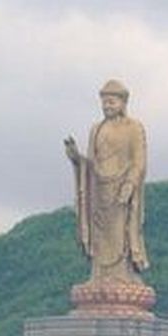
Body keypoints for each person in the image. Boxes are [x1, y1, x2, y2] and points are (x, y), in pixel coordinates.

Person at [63, 80, 149, 284]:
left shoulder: (133, 127)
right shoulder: (96, 128)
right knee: (99, 233)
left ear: (123, 103)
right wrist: (77, 159)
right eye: (104, 102)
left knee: (121, 231)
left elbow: (139, 161)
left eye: (111, 102)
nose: (107, 106)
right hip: (98, 189)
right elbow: (91, 164)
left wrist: (130, 183)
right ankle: (99, 276)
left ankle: (122, 275)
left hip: (121, 189)